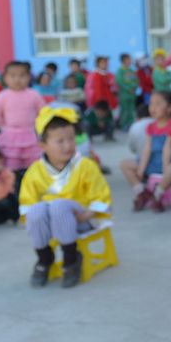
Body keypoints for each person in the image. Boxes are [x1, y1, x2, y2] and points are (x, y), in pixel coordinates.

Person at [19, 106, 111, 288]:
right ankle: (44, 258)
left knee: (58, 206)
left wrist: (87, 214)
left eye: (71, 139)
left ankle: (71, 258)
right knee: (36, 210)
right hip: (51, 222)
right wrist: (36, 217)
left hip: (82, 218)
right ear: (43, 145)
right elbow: (27, 200)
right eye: (60, 141)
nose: (68, 145)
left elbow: (100, 194)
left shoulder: (85, 166)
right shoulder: (35, 171)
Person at [120, 91, 171, 213]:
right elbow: (147, 148)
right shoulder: (151, 126)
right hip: (152, 160)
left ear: (170, 108)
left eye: (158, 104)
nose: (153, 108)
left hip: (168, 160)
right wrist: (141, 169)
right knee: (125, 164)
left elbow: (168, 148)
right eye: (151, 104)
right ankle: (141, 192)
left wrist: (165, 170)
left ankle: (157, 193)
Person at [0, 61, 46, 171]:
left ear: (29, 77)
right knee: (11, 165)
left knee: (34, 165)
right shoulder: (3, 95)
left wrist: (39, 127)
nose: (17, 79)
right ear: (5, 78)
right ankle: (14, 185)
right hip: (10, 136)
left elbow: (44, 112)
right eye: (12, 76)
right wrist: (4, 127)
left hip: (31, 134)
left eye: (22, 76)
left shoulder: (34, 94)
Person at [116, 53, 139, 130]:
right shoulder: (120, 71)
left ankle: (131, 125)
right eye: (128, 59)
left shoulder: (131, 70)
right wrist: (129, 88)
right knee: (125, 111)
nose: (130, 61)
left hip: (132, 95)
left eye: (130, 59)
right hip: (124, 95)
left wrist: (134, 87)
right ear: (123, 60)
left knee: (131, 110)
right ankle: (124, 125)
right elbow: (120, 82)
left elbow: (136, 80)